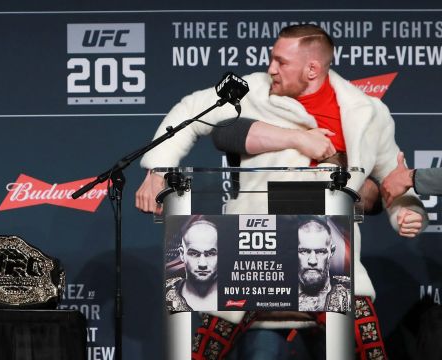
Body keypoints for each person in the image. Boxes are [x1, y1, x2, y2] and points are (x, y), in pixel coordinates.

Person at [136, 24, 427, 359]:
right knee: (204, 350)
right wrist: (157, 169)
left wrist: (406, 211)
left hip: (328, 250)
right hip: (255, 247)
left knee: (369, 349)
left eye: (281, 61)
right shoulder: (252, 93)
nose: (271, 68)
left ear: (312, 68)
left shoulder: (366, 112)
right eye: (271, 59)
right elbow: (189, 112)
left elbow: (393, 175)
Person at [297, 217, 350, 313]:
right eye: (304, 251)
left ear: (332, 251)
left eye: (320, 252)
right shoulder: (277, 294)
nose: (312, 261)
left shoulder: (347, 295)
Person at [166, 217, 218, 311]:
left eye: (210, 254)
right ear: (182, 254)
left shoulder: (235, 295)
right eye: (194, 253)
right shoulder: (165, 291)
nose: (202, 264)